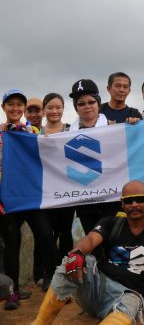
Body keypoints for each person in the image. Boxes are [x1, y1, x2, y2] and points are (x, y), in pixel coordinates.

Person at [31, 181, 144, 325]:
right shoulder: (112, 222)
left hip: (131, 294)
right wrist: (78, 252)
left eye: (140, 199)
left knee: (129, 308)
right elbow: (90, 239)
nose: (134, 204)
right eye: (128, 201)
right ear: (122, 204)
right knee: (74, 260)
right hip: (97, 288)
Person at [0, 89, 60, 309]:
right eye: (10, 105)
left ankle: (58, 284)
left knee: (46, 236)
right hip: (10, 198)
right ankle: (12, 291)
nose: (15, 109)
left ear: (24, 109)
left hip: (33, 196)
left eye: (19, 105)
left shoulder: (33, 131)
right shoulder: (0, 132)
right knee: (12, 243)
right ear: (3, 108)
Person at [69, 79, 120, 233]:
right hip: (84, 198)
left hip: (111, 197)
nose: (87, 107)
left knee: (111, 237)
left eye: (91, 102)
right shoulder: (66, 133)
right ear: (76, 108)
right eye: (81, 104)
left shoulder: (116, 128)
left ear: (98, 103)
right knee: (92, 244)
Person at [40, 93, 74, 259]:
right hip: (45, 190)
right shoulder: (35, 132)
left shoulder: (71, 129)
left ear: (63, 109)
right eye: (50, 107)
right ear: (44, 109)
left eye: (58, 107)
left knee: (65, 231)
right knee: (47, 232)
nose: (54, 111)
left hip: (67, 189)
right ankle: (48, 272)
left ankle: (67, 269)